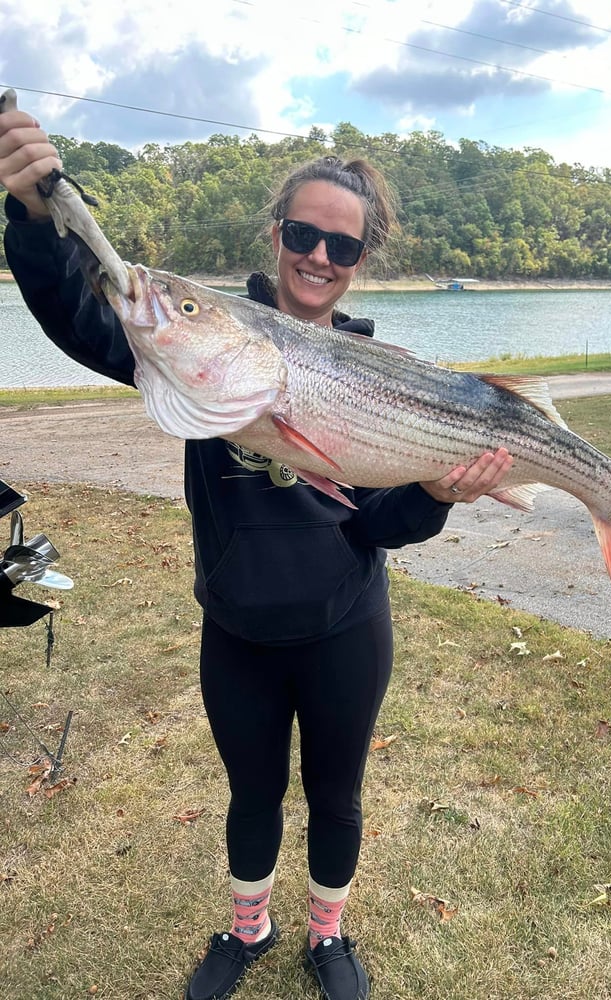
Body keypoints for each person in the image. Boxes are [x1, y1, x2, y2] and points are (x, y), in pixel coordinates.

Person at [0, 108, 513, 1000]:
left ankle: (327, 937)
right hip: (235, 623)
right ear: (278, 234)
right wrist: (36, 219)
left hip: (345, 624)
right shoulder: (200, 338)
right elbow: (84, 316)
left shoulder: (379, 371)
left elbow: (374, 527)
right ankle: (251, 929)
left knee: (337, 796)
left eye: (342, 247)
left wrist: (434, 494)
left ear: (361, 262)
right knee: (251, 794)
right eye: (304, 234)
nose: (318, 257)